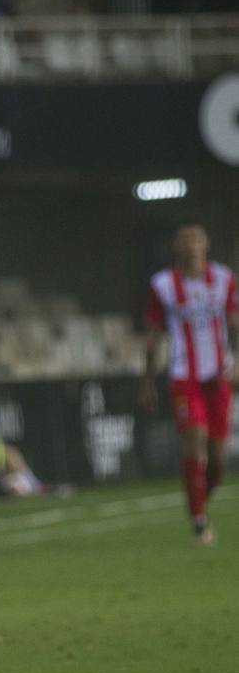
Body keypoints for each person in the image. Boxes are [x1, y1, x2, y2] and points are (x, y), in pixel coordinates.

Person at [140, 222, 238, 546]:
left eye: (196, 239)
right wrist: (147, 382)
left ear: (206, 243)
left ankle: (200, 499)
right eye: (185, 240)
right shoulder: (163, 285)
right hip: (184, 376)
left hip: (218, 376)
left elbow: (234, 322)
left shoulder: (223, 279)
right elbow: (152, 337)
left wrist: (236, 358)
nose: (191, 245)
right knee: (194, 438)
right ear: (175, 247)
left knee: (219, 457)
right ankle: (198, 520)